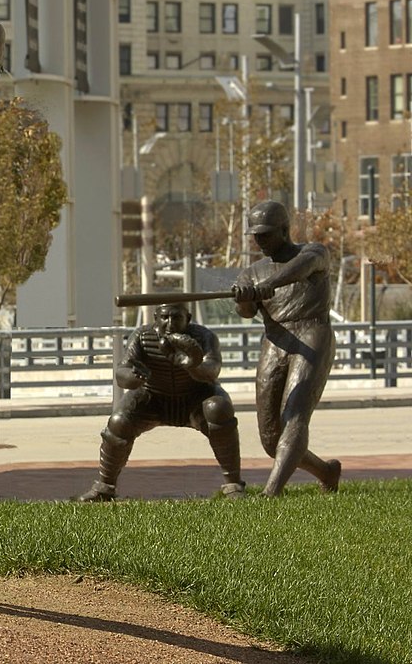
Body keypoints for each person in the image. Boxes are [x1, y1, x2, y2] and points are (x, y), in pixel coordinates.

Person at [78, 302, 244, 501]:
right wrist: (134, 377)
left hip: (195, 396)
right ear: (155, 317)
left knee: (219, 408)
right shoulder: (142, 336)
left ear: (188, 319)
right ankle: (105, 487)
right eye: (164, 317)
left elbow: (212, 369)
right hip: (152, 397)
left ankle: (233, 485)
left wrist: (191, 365)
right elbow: (122, 372)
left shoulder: (204, 336)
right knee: (119, 421)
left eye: (177, 317)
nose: (170, 323)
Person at [232, 200, 341, 497]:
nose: (259, 241)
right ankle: (326, 471)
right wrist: (243, 297)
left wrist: (271, 283)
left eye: (265, 234)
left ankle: (271, 492)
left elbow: (300, 269)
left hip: (311, 333)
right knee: (271, 439)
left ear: (284, 230)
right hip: (275, 340)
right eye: (255, 235)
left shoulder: (314, 252)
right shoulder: (251, 273)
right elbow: (245, 312)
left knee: (294, 416)